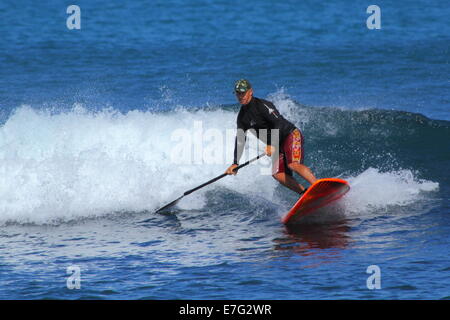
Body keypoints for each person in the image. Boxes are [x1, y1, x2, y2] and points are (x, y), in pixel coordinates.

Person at [225, 79, 317, 195]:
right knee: (277, 173)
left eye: (243, 93)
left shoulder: (262, 105)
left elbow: (278, 123)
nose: (240, 96)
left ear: (250, 92)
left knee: (293, 164)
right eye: (238, 93)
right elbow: (240, 139)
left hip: (290, 135)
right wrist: (235, 163)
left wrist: (271, 144)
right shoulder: (242, 117)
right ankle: (305, 193)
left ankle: (317, 185)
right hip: (277, 145)